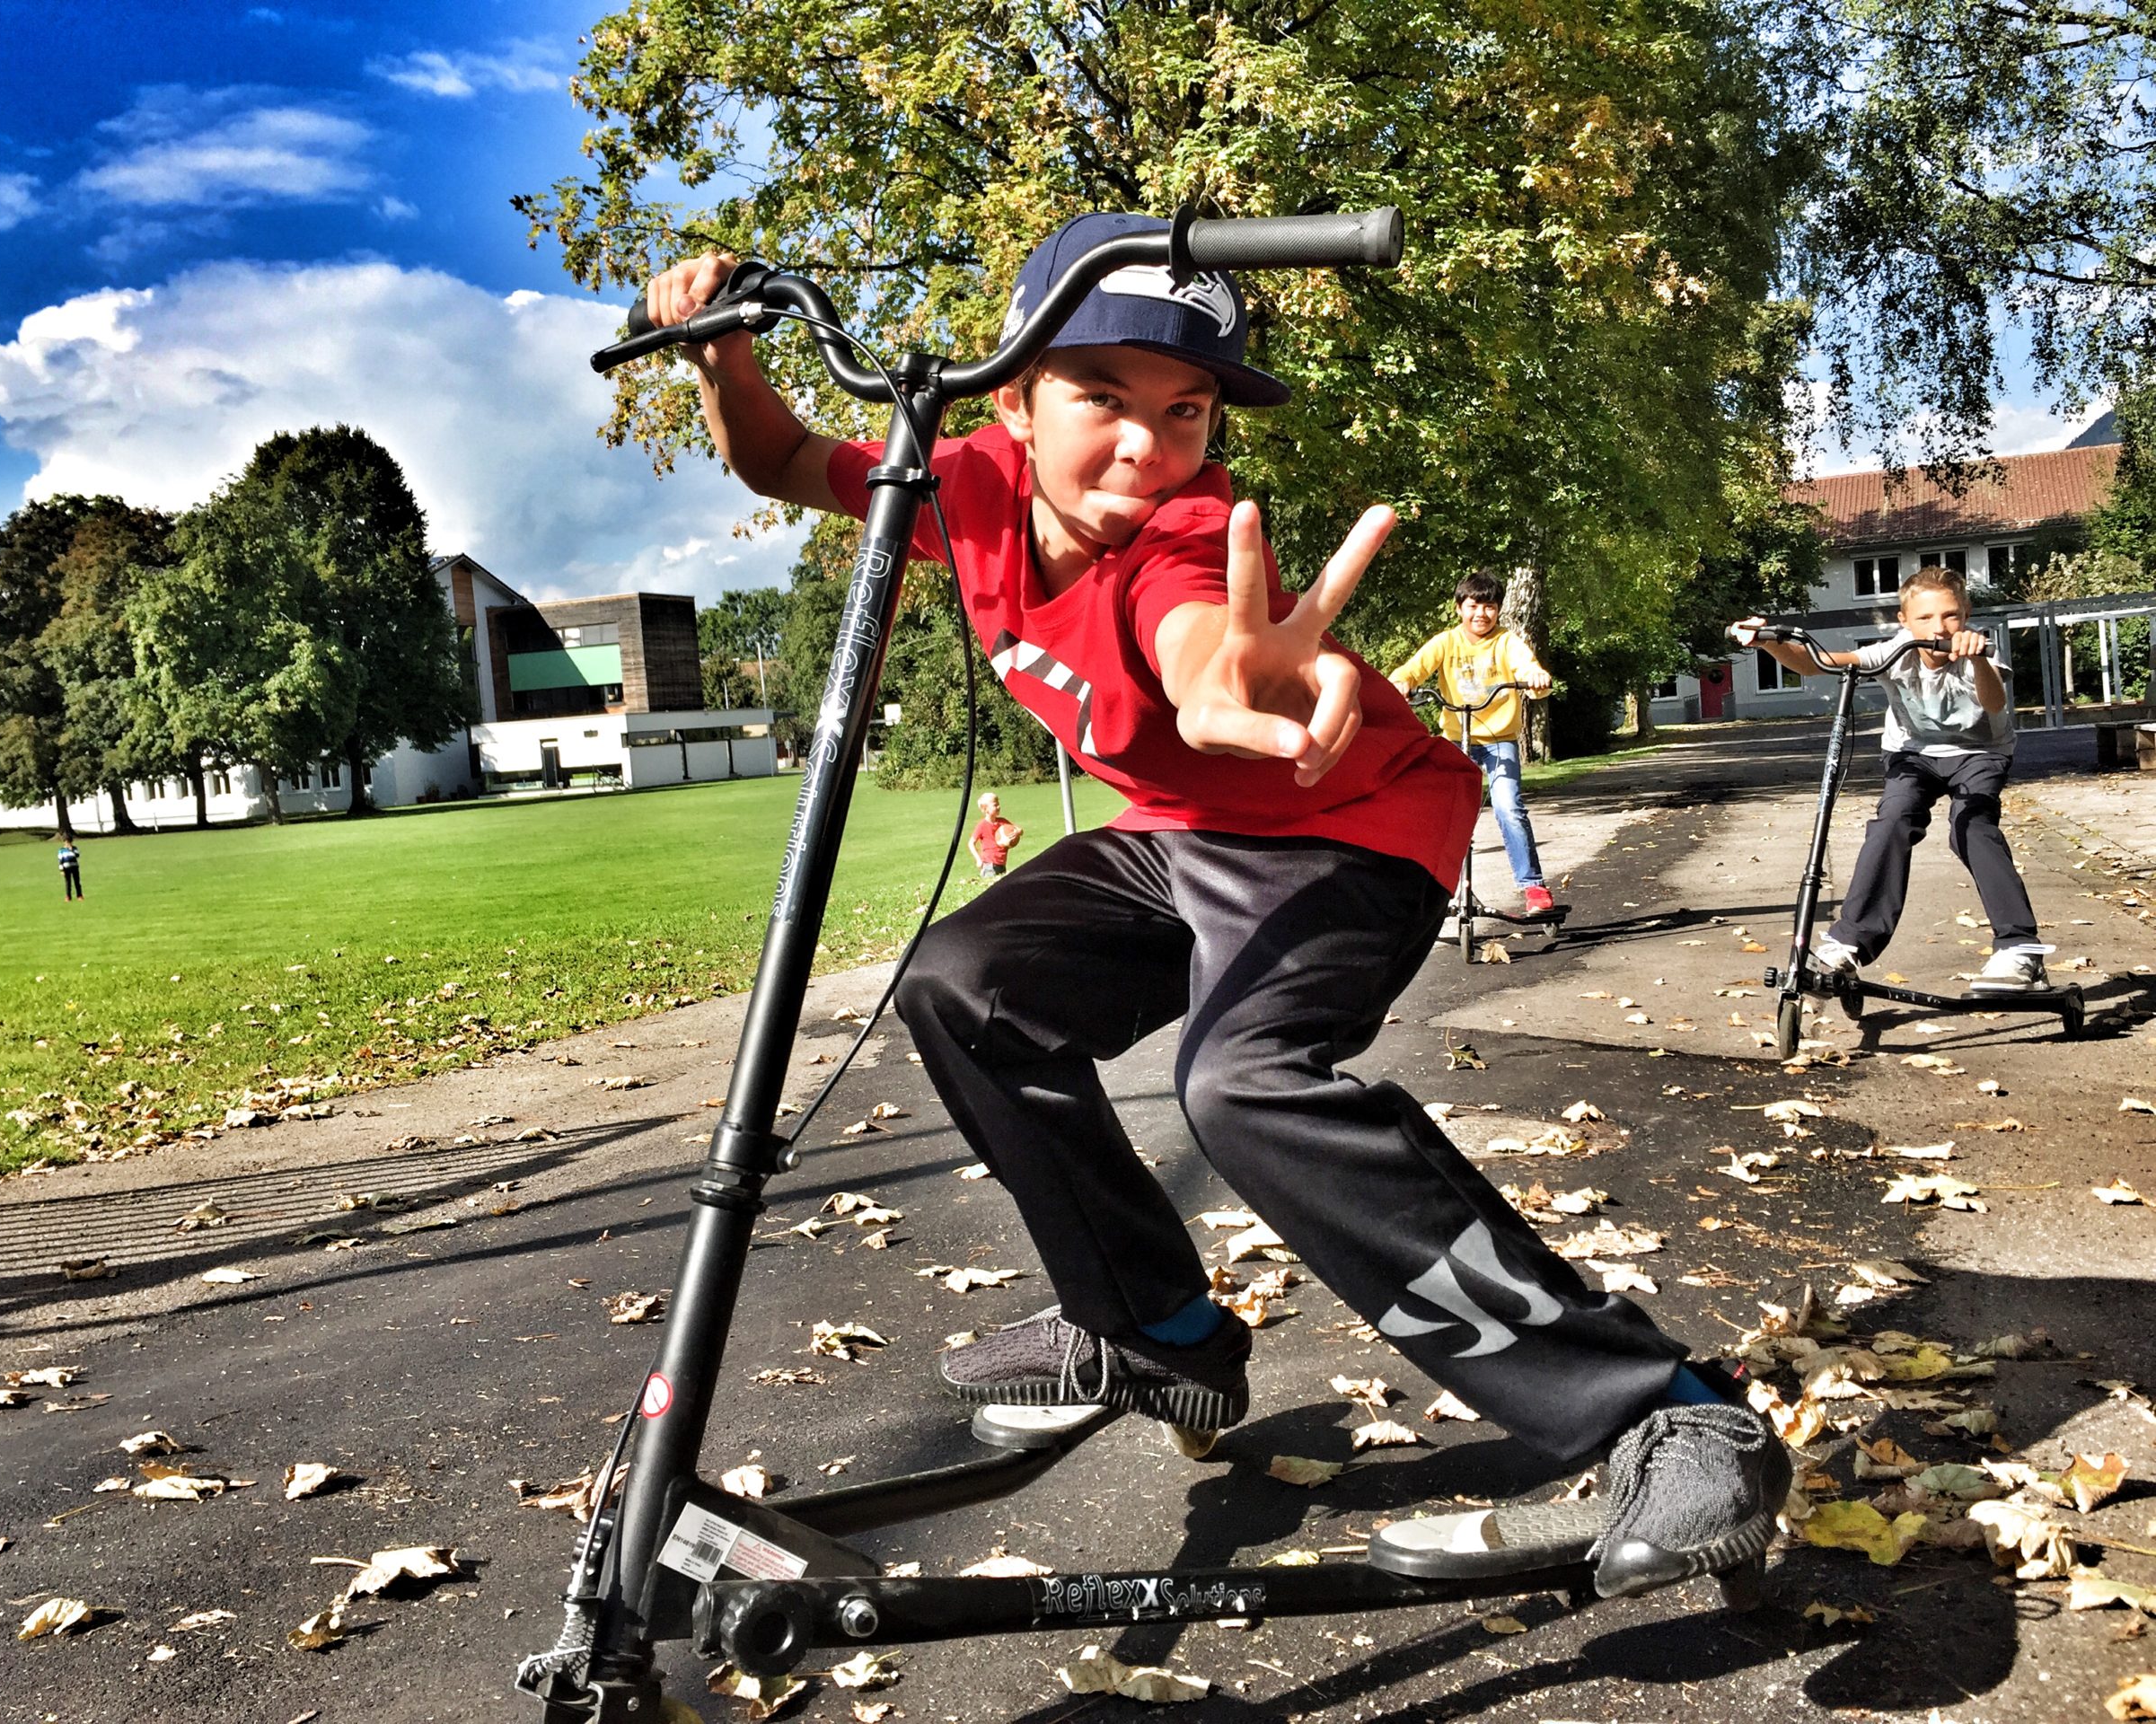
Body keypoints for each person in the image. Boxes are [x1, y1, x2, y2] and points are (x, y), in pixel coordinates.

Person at [643, 211, 1785, 1599]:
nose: (1147, 445)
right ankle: (1159, 1330)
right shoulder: (965, 484)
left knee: (1245, 1086)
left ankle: (1664, 1406)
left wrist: (1226, 683)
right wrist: (720, 356)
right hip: (1186, 833)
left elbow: (1196, 636)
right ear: (1013, 397)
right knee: (963, 986)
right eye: (1103, 399)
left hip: (1348, 831)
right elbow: (776, 454)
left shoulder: (1184, 531)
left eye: (1185, 411)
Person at [1738, 566, 2048, 991]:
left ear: (1966, 614)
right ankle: (1851, 942)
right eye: (1924, 618)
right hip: (1912, 756)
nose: (1938, 628)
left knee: (1971, 826)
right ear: (1904, 621)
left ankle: (2018, 949)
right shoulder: (1896, 650)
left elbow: (1994, 704)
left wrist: (1976, 659)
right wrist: (1767, 642)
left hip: (1979, 753)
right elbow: (1819, 664)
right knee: (1893, 821)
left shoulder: (1980, 650)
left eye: (1950, 615)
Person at [1389, 572, 1556, 917]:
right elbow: (1411, 670)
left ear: (1498, 611)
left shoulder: (1507, 642)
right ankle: (1431, 888)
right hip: (1456, 739)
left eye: (1489, 607)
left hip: (1499, 741)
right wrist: (1402, 683)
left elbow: (1530, 671)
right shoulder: (1446, 642)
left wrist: (1536, 679)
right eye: (1473, 605)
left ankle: (1533, 886)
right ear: (1459, 608)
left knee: (1508, 806)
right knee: (1440, 811)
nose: (1481, 613)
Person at [967, 792, 1023, 879]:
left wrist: (1018, 832)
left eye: (998, 804)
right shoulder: (982, 825)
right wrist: (978, 859)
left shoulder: (1003, 822)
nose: (998, 807)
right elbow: (971, 843)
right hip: (989, 865)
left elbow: (1020, 830)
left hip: (1002, 863)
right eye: (995, 805)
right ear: (986, 809)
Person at [56, 833, 83, 902]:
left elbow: (77, 855)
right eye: (66, 842)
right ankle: (68, 896)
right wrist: (61, 870)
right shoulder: (61, 850)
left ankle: (79, 895)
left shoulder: (74, 848)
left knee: (77, 882)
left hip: (74, 867)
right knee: (68, 883)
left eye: (69, 842)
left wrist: (71, 850)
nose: (68, 843)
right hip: (66, 868)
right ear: (64, 842)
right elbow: (60, 860)